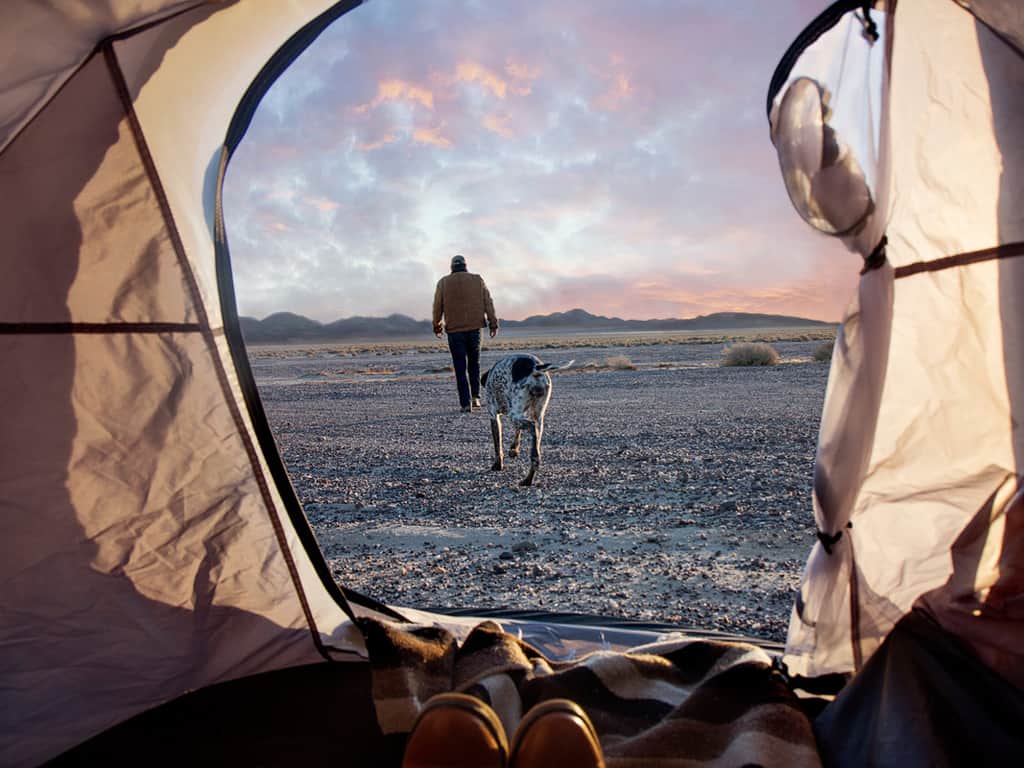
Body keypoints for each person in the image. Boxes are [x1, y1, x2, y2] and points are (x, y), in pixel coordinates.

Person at [432, 254, 499, 412]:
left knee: (460, 367)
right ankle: (476, 398)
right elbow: (488, 302)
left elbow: (437, 306)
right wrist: (493, 323)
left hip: (454, 331)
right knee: (474, 364)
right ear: (465, 265)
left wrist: (437, 326)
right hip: (474, 329)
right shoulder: (477, 280)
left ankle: (465, 403)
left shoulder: (443, 282)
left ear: (452, 267)